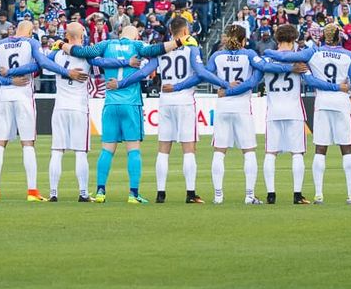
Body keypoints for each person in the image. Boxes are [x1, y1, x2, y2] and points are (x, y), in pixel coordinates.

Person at [0, 20, 81, 201]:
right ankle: (32, 191)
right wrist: (66, 72)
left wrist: (5, 79)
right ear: (30, 31)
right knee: (28, 143)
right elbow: (42, 64)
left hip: (5, 96)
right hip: (23, 95)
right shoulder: (31, 43)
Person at [68, 23, 187, 203]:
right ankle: (133, 194)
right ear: (137, 36)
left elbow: (86, 55)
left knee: (107, 150)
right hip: (130, 104)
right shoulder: (137, 46)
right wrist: (178, 42)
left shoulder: (106, 44)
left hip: (110, 103)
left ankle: (100, 191)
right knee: (133, 150)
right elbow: (157, 49)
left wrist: (62, 45)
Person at [111, 15, 218, 203]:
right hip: (184, 101)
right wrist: (224, 84)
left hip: (165, 101)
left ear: (170, 32)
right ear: (185, 31)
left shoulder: (162, 50)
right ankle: (190, 193)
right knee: (189, 149)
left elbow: (143, 73)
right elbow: (201, 73)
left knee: (163, 149)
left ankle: (160, 193)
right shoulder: (192, 48)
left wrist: (120, 83)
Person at [203, 23, 285, 204]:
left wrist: (223, 86)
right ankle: (249, 195)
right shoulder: (249, 54)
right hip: (242, 107)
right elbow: (256, 78)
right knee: (248, 152)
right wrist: (289, 68)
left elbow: (204, 74)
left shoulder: (217, 55)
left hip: (223, 106)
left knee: (219, 151)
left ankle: (218, 196)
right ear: (243, 39)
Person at [290, 22, 351, 204]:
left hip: (322, 102)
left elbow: (303, 72)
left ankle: (318, 194)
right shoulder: (348, 55)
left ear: (323, 36)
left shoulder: (314, 53)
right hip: (341, 102)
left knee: (320, 149)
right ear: (339, 37)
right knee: (347, 148)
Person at [42, 22, 95, 202]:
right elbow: (99, 68)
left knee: (57, 151)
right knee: (80, 151)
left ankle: (53, 193)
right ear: (80, 34)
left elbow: (43, 63)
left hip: (60, 106)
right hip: (78, 107)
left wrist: (58, 45)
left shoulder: (56, 54)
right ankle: (83, 193)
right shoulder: (87, 54)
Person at [257, 24, 307, 203]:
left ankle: (271, 195)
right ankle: (297, 195)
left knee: (271, 153)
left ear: (276, 39)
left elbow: (255, 79)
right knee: (297, 153)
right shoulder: (299, 60)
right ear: (294, 40)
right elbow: (310, 79)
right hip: (294, 110)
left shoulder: (267, 59)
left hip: (273, 110)